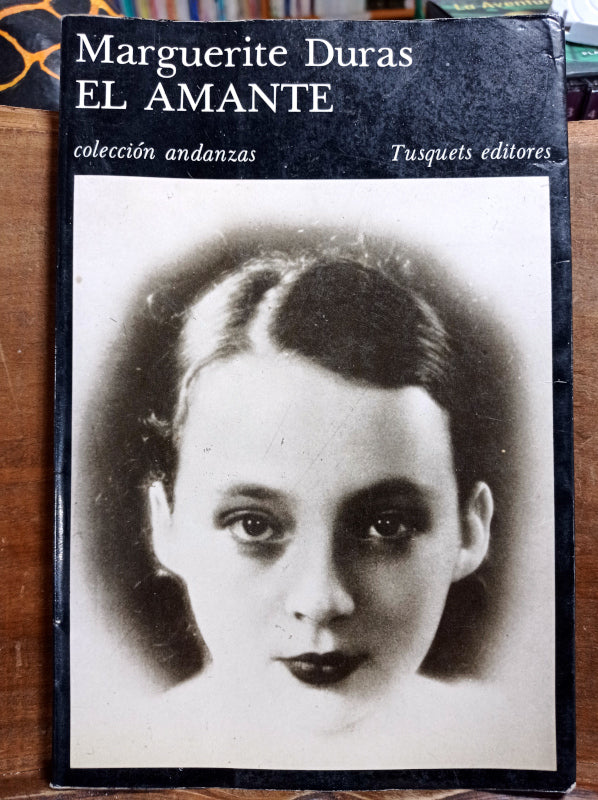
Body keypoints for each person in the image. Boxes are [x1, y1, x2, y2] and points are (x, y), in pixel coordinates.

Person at [82, 233, 519, 767]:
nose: (321, 600)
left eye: (386, 525)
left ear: (470, 530)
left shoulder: (510, 739)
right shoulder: (116, 756)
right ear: (166, 527)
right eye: (254, 525)